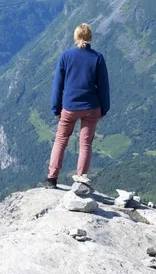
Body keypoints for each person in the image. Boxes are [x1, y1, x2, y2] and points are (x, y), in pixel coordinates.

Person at [44, 23, 110, 189]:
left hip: (70, 107)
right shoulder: (97, 58)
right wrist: (104, 108)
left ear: (76, 37)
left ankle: (52, 178)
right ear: (90, 38)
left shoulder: (66, 56)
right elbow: (103, 86)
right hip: (91, 107)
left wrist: (56, 108)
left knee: (60, 140)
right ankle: (80, 181)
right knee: (85, 144)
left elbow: (57, 85)